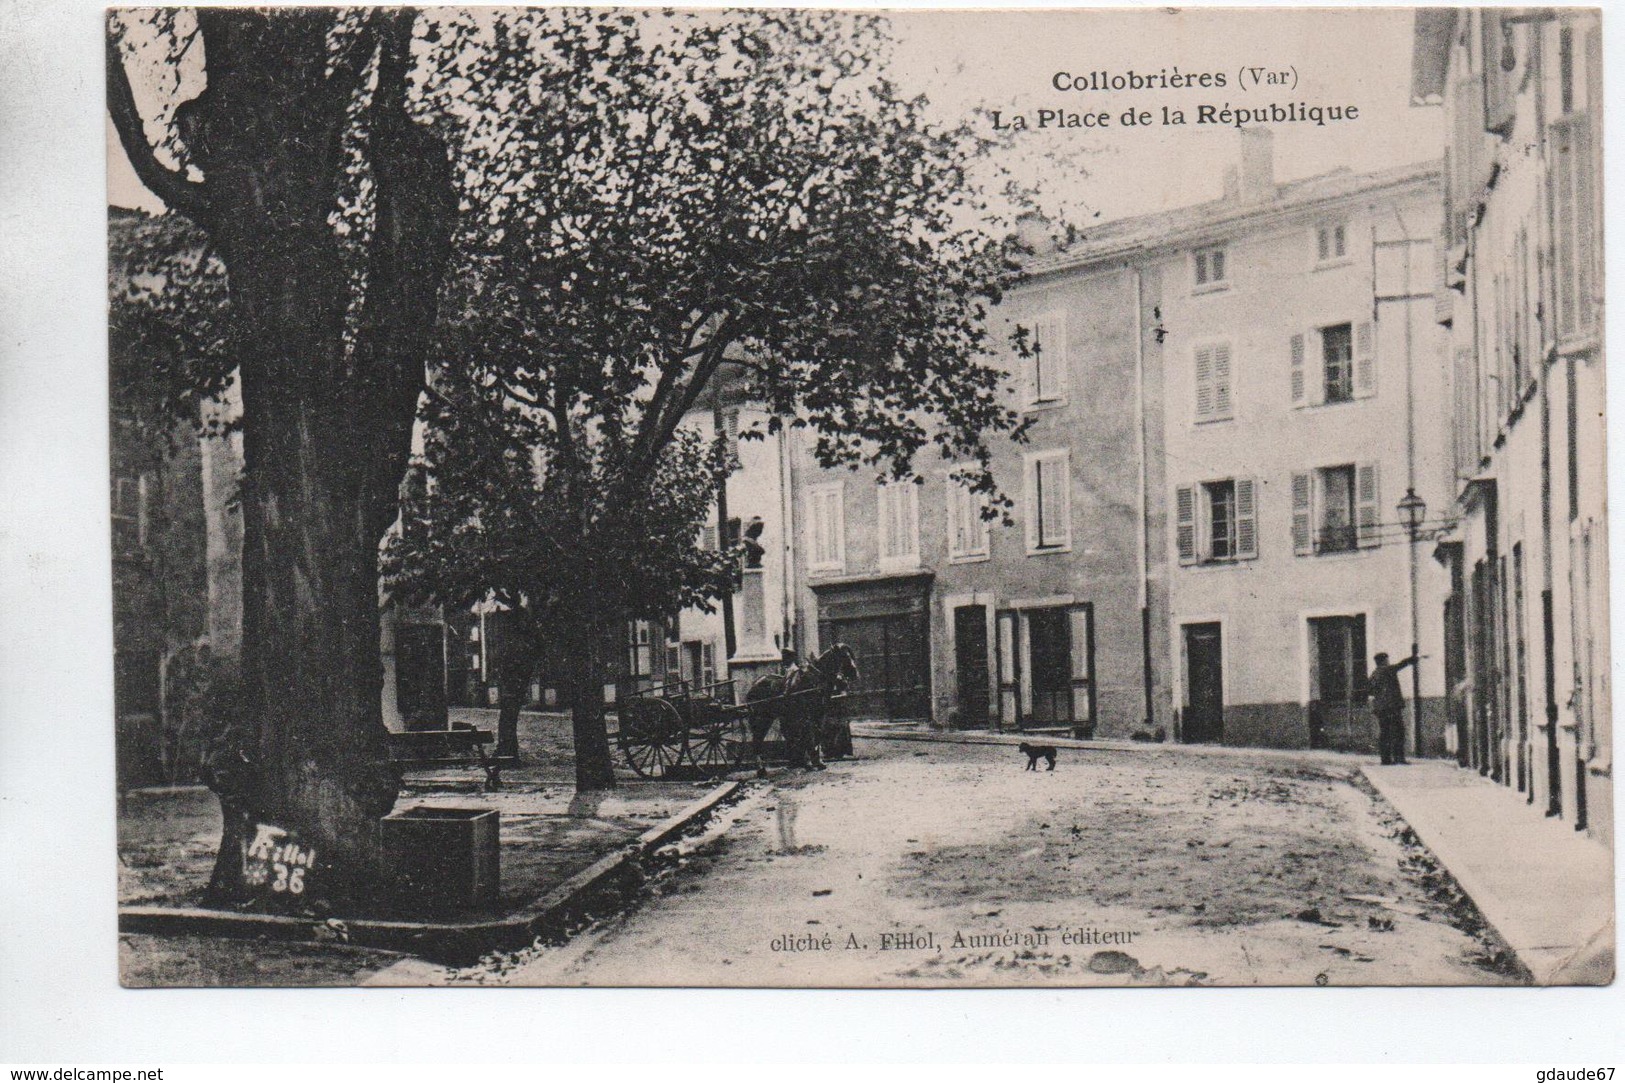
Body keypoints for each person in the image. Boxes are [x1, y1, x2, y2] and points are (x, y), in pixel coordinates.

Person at [1368, 651, 1419, 765]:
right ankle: (1399, 758)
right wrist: (1413, 658)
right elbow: (1401, 664)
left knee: (1385, 733)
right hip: (1391, 707)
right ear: (1384, 661)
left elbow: (1370, 691)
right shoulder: (1388, 670)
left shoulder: (1374, 674)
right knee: (1398, 732)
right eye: (1387, 660)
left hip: (1380, 709)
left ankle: (1385, 759)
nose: (1388, 661)